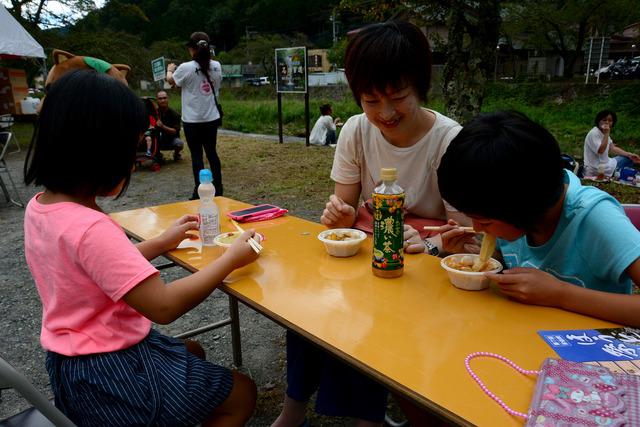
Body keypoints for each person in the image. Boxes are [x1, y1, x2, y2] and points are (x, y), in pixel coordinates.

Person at [23, 69, 260, 427]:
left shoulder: (41, 207)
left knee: (193, 351)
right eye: (129, 151)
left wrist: (161, 242)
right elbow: (163, 306)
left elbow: (93, 273)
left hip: (71, 368)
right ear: (98, 152)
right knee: (242, 392)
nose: (133, 162)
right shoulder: (92, 227)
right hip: (113, 373)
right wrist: (231, 259)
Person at [273, 21, 475, 427]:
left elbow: (465, 238)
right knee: (308, 309)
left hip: (424, 269)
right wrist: (341, 215)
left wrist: (429, 245)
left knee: (371, 320)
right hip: (369, 253)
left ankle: (369, 416)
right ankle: (293, 410)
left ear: (419, 86)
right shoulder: (355, 129)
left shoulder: (449, 140)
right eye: (370, 100)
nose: (385, 113)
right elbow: (344, 210)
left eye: (397, 98)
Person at [437, 111, 640, 326]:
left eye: (485, 221)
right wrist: (476, 256)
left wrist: (561, 294)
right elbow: (521, 258)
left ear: (524, 204)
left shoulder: (596, 218)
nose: (477, 228)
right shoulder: (515, 212)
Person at [167, 31, 224, 199]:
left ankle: (200, 190)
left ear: (192, 49)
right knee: (212, 153)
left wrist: (170, 70)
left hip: (192, 120)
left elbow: (171, 81)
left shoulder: (186, 67)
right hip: (211, 118)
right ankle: (219, 188)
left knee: (197, 156)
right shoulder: (217, 66)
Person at [583, 110, 640, 178]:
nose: (607, 122)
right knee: (626, 162)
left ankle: (619, 174)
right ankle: (617, 175)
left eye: (610, 121)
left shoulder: (603, 133)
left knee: (628, 158)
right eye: (604, 120)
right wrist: (606, 134)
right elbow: (600, 151)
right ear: (598, 121)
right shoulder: (593, 133)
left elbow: (612, 148)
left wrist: (629, 154)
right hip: (597, 168)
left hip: (606, 164)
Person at [156, 90, 184, 160]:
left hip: (171, 140)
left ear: (168, 99)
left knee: (179, 143)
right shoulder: (154, 113)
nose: (163, 100)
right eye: (160, 98)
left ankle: (176, 154)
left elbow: (175, 131)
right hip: (158, 140)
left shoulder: (175, 114)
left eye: (164, 98)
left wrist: (162, 126)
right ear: (157, 100)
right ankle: (158, 156)